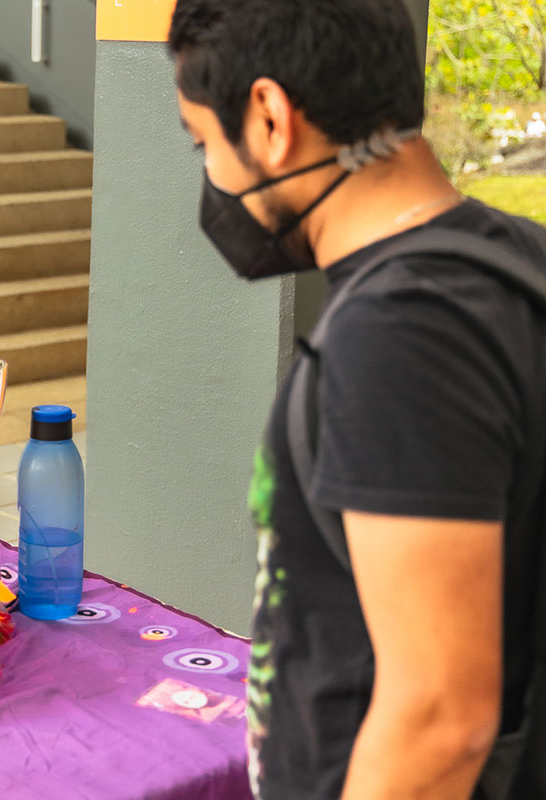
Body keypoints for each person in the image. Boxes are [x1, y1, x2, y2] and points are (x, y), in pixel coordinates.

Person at [168, 1, 546, 798]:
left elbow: (440, 718)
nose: (211, 179)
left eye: (205, 143)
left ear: (269, 117)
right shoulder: (512, 260)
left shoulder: (400, 337)